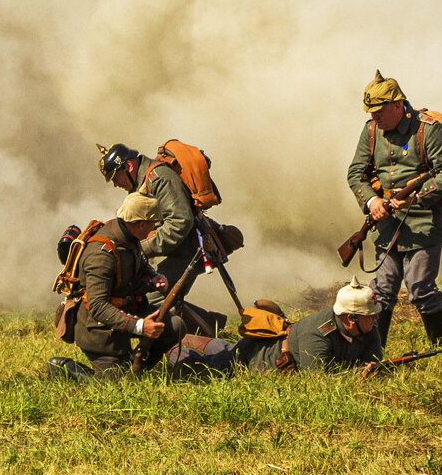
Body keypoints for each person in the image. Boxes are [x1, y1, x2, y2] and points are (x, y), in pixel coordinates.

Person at [345, 71, 442, 346]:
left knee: (420, 288)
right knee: (382, 290)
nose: (375, 117)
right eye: (371, 112)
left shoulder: (427, 129)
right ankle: (374, 352)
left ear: (398, 105)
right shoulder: (371, 131)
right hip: (386, 223)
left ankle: (441, 347)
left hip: (425, 220)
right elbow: (356, 174)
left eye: (379, 111)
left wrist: (416, 197)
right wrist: (372, 201)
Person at [63, 192, 184, 378]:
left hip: (126, 310)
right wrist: (141, 327)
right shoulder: (101, 254)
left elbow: (138, 263)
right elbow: (97, 306)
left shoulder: (127, 235)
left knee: (174, 325)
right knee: (113, 385)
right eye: (154, 223)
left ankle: (137, 367)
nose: (155, 228)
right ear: (141, 223)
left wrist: (153, 277)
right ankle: (63, 367)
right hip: (99, 329)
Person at [172, 278, 383, 376]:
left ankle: (192, 341)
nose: (376, 318)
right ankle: (171, 349)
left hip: (253, 348)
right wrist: (358, 375)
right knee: (203, 369)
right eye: (370, 315)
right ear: (350, 318)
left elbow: (375, 363)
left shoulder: (367, 329)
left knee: (224, 349)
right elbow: (319, 381)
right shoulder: (318, 333)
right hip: (252, 359)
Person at [96, 143, 198, 304]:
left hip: (185, 252)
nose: (115, 184)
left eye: (115, 178)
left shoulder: (160, 178)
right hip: (165, 251)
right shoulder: (140, 182)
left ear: (128, 166)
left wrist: (142, 248)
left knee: (147, 300)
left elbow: (181, 222)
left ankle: (203, 323)